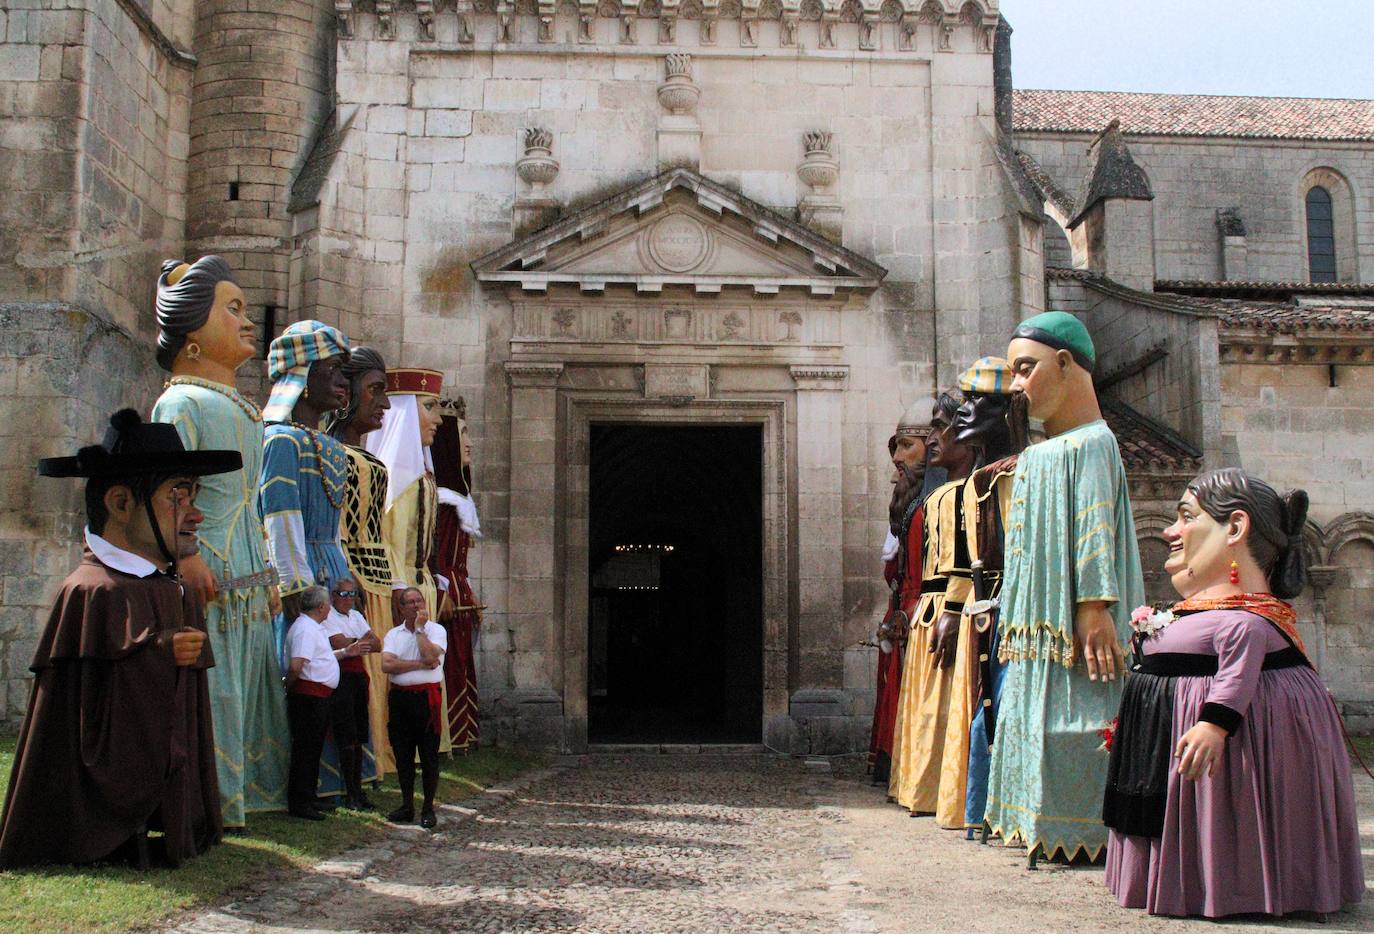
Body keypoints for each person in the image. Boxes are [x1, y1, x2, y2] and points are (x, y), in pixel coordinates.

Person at [1104, 469, 1364, 917]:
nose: (1171, 530)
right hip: (1155, 745)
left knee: (1230, 807)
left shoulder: (1247, 621)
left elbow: (1237, 678)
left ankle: (1235, 883)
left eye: (1186, 516)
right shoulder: (1208, 613)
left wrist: (1214, 724)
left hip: (1222, 740)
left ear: (1236, 528)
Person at [0, 410, 234, 868]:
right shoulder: (91, 591)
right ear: (122, 504)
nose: (195, 513)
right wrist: (160, 650)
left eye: (194, 495)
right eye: (177, 496)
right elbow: (90, 705)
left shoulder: (169, 586)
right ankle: (107, 832)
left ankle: (168, 821)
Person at [983, 311, 1145, 866]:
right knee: (1031, 720)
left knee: (1079, 721)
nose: (1020, 385)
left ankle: (1085, 828)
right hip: (1033, 624)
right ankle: (1033, 819)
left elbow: (1095, 526)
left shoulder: (1094, 444)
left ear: (1065, 363)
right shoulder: (1039, 452)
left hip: (1077, 625)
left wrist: (1094, 604)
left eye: (1026, 369)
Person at [150, 255, 289, 826]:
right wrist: (184, 555)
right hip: (210, 561)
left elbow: (252, 497)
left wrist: (271, 570)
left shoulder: (246, 410)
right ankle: (215, 795)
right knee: (219, 683)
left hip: (251, 566)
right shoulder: (180, 401)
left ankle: (253, 789)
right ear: (190, 337)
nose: (248, 320)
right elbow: (170, 485)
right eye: (231, 309)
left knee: (254, 680)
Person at [260, 320, 353, 802]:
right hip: (303, 576)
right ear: (300, 373)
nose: (342, 382)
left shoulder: (331, 447)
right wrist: (298, 589)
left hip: (331, 568)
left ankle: (336, 780)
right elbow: (280, 516)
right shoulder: (279, 440)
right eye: (333, 370)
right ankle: (296, 784)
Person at [932, 358, 1017, 830]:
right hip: (987, 609)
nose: (963, 414)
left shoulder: (1028, 469)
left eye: (975, 402)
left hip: (1022, 608)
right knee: (985, 710)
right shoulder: (980, 481)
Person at [889, 391, 973, 818]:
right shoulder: (933, 499)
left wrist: (955, 610)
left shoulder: (972, 492)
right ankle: (923, 786)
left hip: (952, 609)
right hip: (926, 610)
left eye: (944, 429)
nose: (938, 440)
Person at [368, 367, 450, 751]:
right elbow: (390, 540)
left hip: (421, 587)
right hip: (403, 591)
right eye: (429, 407)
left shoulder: (425, 478)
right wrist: (401, 589)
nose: (437, 418)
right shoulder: (397, 478)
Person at [327, 346, 397, 778]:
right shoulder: (331, 453)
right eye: (374, 391)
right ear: (347, 392)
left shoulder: (366, 457)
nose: (384, 403)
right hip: (347, 577)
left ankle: (375, 762)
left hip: (379, 580)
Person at [868, 414, 930, 785]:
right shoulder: (906, 504)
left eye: (907, 446)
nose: (897, 457)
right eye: (896, 447)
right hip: (902, 611)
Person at [432, 395, 483, 751]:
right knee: (449, 664)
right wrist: (441, 590)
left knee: (461, 663)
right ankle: (447, 734)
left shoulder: (458, 501)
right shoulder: (442, 502)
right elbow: (433, 555)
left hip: (459, 591)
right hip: (446, 594)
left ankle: (461, 738)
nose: (470, 442)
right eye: (462, 434)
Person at [382, 586, 448, 830]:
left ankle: (428, 807)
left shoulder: (437, 630)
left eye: (418, 601)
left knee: (429, 755)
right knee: (403, 754)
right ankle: (406, 804)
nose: (415, 606)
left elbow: (432, 657)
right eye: (409, 602)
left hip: (426, 698)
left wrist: (420, 630)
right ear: (401, 608)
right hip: (400, 698)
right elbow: (387, 664)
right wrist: (419, 663)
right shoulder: (394, 634)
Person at [283, 585, 348, 820]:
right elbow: (297, 665)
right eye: (328, 604)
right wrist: (289, 687)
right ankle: (300, 802)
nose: (329, 607)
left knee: (313, 749)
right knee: (305, 750)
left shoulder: (314, 628)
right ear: (321, 607)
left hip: (319, 696)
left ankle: (309, 796)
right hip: (308, 697)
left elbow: (321, 658)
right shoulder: (305, 629)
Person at [323, 577, 381, 810]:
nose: (348, 599)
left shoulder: (356, 616)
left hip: (358, 675)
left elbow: (376, 644)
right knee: (346, 733)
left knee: (358, 733)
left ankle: (358, 790)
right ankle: (349, 791)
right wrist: (357, 643)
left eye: (352, 594)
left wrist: (356, 643)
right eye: (344, 594)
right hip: (341, 675)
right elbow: (338, 642)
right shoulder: (329, 617)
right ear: (334, 596)